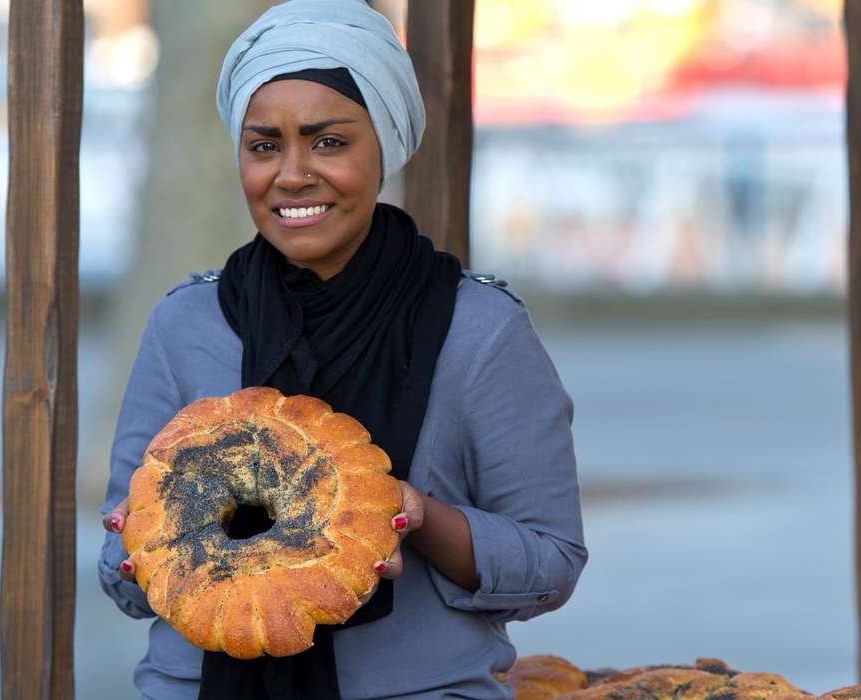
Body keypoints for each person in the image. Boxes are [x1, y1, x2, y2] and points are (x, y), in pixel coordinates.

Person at [96, 1, 587, 697]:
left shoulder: (477, 327)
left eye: (328, 142)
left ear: (383, 144)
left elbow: (551, 559)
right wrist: (149, 537)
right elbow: (121, 568)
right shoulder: (188, 322)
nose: (292, 175)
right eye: (264, 146)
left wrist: (414, 514)